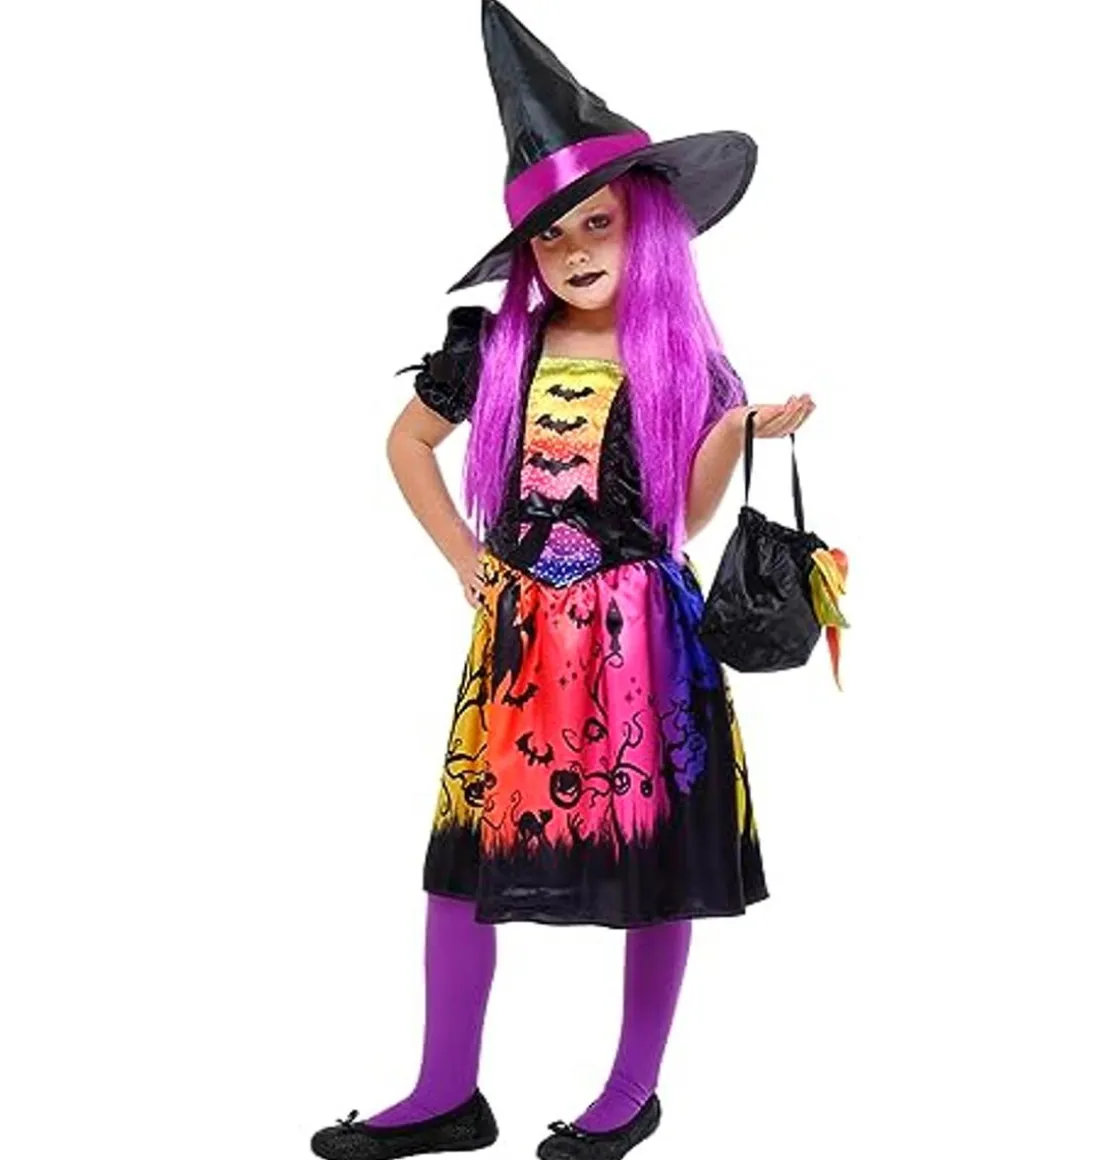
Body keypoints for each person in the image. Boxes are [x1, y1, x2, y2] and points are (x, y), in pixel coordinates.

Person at [311, 4, 814, 1158]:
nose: (576, 249)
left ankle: (629, 1089)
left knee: (653, 858)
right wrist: (465, 555)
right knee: (464, 856)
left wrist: (733, 430)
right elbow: (405, 442)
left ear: (647, 223)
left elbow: (682, 519)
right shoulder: (493, 350)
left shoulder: (680, 358)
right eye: (550, 236)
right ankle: (445, 1088)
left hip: (642, 636)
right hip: (520, 639)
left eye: (597, 223)